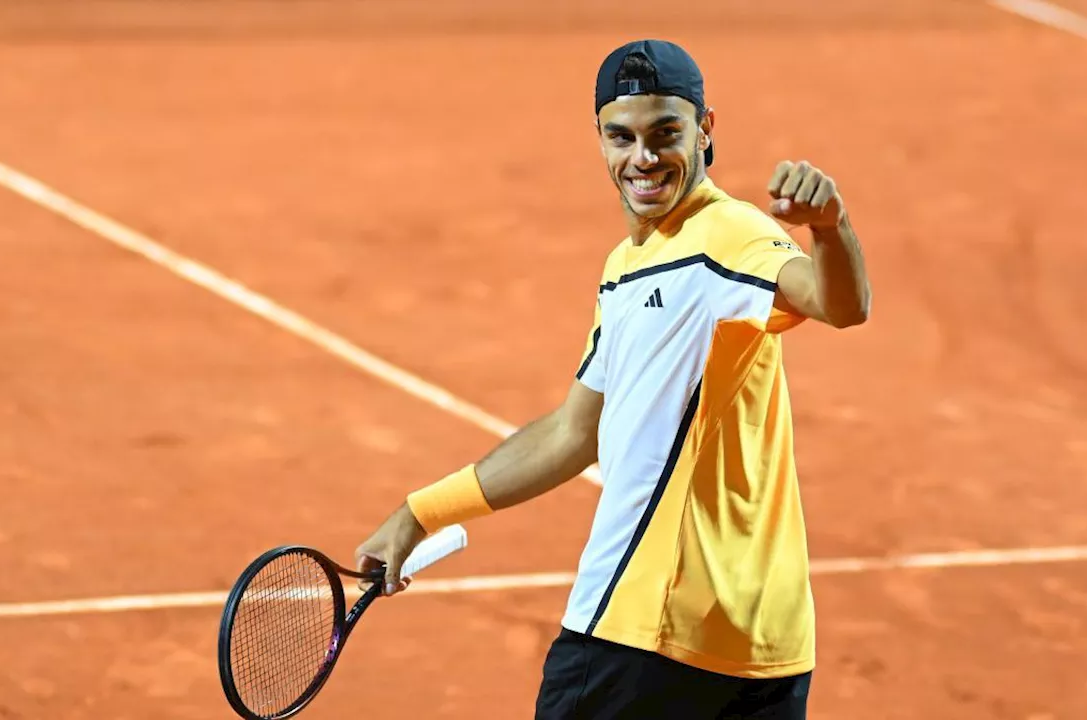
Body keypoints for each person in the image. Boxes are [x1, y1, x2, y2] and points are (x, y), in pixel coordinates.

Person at [355, 38, 871, 719]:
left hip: (641, 631)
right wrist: (420, 515)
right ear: (599, 140)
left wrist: (830, 228)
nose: (644, 158)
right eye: (621, 137)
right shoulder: (624, 270)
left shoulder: (727, 238)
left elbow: (840, 305)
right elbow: (575, 431)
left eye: (665, 134)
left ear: (706, 129)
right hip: (763, 643)